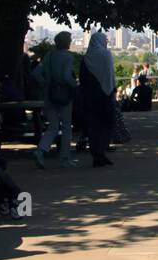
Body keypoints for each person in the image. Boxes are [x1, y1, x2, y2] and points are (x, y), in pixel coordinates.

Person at [34, 31, 78, 168]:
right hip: (64, 95)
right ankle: (64, 158)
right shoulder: (68, 57)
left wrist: (46, 83)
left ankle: (41, 150)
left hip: (50, 95)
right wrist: (74, 84)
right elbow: (65, 76)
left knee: (52, 127)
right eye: (69, 40)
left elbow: (35, 73)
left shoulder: (49, 55)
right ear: (66, 42)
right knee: (66, 127)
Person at [77, 31, 117, 167]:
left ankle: (96, 153)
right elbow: (110, 75)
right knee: (107, 125)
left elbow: (82, 79)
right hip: (105, 96)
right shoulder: (106, 55)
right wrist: (112, 91)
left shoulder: (86, 58)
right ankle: (101, 152)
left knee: (94, 127)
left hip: (90, 98)